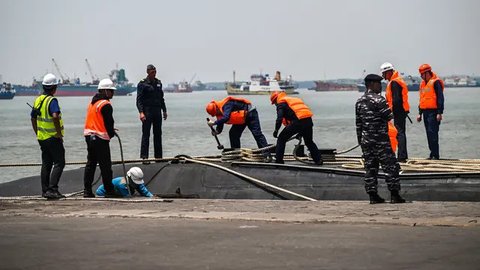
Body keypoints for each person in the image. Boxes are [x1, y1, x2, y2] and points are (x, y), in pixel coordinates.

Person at [355, 74, 405, 204]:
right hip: (380, 140)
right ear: (371, 84)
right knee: (391, 167)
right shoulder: (379, 100)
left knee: (370, 168)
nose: (380, 86)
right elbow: (389, 116)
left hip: (366, 141)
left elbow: (358, 124)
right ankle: (394, 195)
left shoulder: (359, 101)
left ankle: (373, 196)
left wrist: (360, 140)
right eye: (378, 83)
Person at [30, 73, 66, 199]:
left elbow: (33, 118)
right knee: (59, 162)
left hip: (42, 138)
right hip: (52, 137)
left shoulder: (38, 100)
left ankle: (45, 190)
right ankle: (53, 189)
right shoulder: (52, 100)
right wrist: (58, 133)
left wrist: (37, 132)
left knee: (46, 163)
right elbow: (55, 116)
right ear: (54, 88)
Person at [83, 79, 118, 198]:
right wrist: (111, 133)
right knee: (105, 166)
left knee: (91, 164)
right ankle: (109, 191)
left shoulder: (92, 103)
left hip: (89, 136)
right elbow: (109, 122)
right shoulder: (105, 104)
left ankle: (87, 191)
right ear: (104, 91)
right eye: (111, 91)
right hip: (100, 138)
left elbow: (96, 120)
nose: (113, 93)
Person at [270, 91, 323, 165]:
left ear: (275, 100)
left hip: (297, 122)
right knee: (309, 141)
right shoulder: (292, 99)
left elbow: (279, 118)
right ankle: (318, 160)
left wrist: (276, 130)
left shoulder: (281, 103)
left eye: (274, 103)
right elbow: (298, 114)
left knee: (281, 139)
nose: (275, 105)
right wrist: (301, 133)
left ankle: (279, 161)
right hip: (308, 121)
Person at [136, 64, 167, 162]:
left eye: (155, 72)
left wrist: (164, 110)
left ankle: (158, 157)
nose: (154, 74)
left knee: (158, 134)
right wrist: (141, 112)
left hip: (157, 111)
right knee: (146, 134)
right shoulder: (142, 84)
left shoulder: (158, 83)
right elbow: (139, 100)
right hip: (147, 111)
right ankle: (144, 157)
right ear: (148, 72)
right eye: (152, 72)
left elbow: (161, 98)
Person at [380, 62, 410, 162]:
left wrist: (391, 112)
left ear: (388, 72)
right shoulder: (396, 80)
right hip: (402, 111)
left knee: (399, 133)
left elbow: (396, 100)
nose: (383, 76)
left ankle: (401, 156)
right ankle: (403, 155)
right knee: (401, 132)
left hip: (398, 111)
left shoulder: (394, 82)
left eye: (384, 74)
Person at [416, 64, 445, 160]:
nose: (421, 76)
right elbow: (422, 99)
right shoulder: (423, 84)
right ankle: (432, 153)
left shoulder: (436, 82)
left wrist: (439, 112)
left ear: (427, 73)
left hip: (434, 112)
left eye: (421, 74)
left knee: (433, 133)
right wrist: (420, 113)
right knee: (428, 133)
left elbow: (440, 98)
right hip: (425, 112)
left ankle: (436, 155)